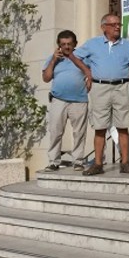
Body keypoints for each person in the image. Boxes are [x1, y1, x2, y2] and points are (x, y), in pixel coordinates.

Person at [74, 14, 129, 175]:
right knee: (100, 127)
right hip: (100, 87)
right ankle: (98, 163)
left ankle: (125, 162)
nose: (117, 27)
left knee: (123, 125)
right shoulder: (93, 43)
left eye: (119, 24)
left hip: (122, 87)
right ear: (104, 27)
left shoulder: (127, 45)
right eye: (113, 24)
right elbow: (75, 56)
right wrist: (87, 72)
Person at [42, 30, 92, 171]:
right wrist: (53, 60)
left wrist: (89, 77)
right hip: (59, 99)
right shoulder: (53, 58)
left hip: (79, 99)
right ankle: (53, 161)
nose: (66, 47)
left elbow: (91, 71)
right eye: (63, 44)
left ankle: (78, 161)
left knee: (79, 132)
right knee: (55, 131)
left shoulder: (83, 57)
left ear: (75, 44)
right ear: (59, 45)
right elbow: (46, 78)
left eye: (69, 44)